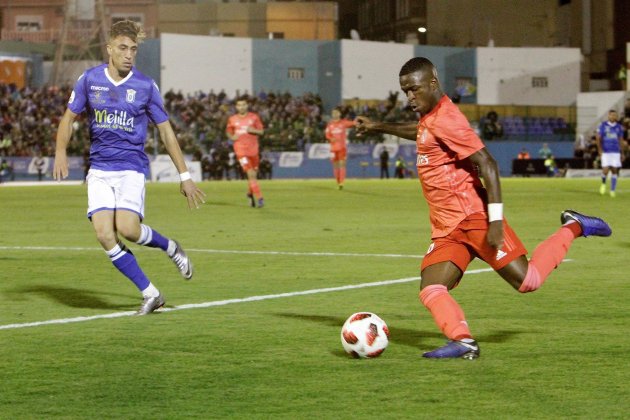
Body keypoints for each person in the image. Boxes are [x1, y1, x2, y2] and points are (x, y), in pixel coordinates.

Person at [355, 57, 612, 359]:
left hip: (473, 217)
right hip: (448, 228)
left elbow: (487, 163)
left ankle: (574, 226)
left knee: (528, 281)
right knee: (431, 288)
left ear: (433, 84)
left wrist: (496, 220)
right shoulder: (431, 117)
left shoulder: (447, 117)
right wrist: (377, 126)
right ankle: (463, 342)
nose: (410, 97)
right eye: (405, 91)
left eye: (414, 89)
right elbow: (423, 132)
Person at [53, 20, 206, 316]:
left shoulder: (145, 86)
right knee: (104, 234)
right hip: (99, 169)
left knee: (127, 229)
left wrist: (185, 176)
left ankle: (171, 247)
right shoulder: (89, 80)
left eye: (133, 49)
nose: (129, 54)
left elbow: (166, 132)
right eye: (122, 48)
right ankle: (151, 293)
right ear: (109, 49)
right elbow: (67, 118)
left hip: (130, 168)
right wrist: (60, 151)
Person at [226, 97, 265, 207]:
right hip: (241, 151)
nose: (241, 107)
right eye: (239, 105)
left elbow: (261, 131)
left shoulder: (254, 117)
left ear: (247, 105)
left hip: (254, 150)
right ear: (236, 107)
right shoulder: (232, 119)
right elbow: (229, 132)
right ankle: (260, 198)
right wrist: (232, 137)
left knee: (253, 176)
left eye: (243, 105)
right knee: (251, 174)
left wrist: (254, 131)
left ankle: (249, 194)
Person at [324, 107, 355, 189]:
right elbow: (327, 135)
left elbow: (353, 123)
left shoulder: (343, 123)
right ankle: (338, 182)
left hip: (342, 148)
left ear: (339, 114)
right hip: (333, 149)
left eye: (336, 112)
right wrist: (331, 139)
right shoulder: (330, 125)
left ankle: (341, 182)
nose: (335, 114)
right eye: (333, 113)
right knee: (335, 166)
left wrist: (359, 121)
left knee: (342, 164)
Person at [596, 109, 624, 197]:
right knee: (605, 170)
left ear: (616, 116)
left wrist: (622, 152)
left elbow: (620, 140)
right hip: (606, 151)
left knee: (614, 171)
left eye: (615, 115)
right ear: (608, 116)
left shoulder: (619, 127)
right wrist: (599, 150)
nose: (613, 116)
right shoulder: (603, 125)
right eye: (611, 115)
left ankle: (612, 190)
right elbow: (598, 138)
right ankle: (603, 184)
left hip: (616, 152)